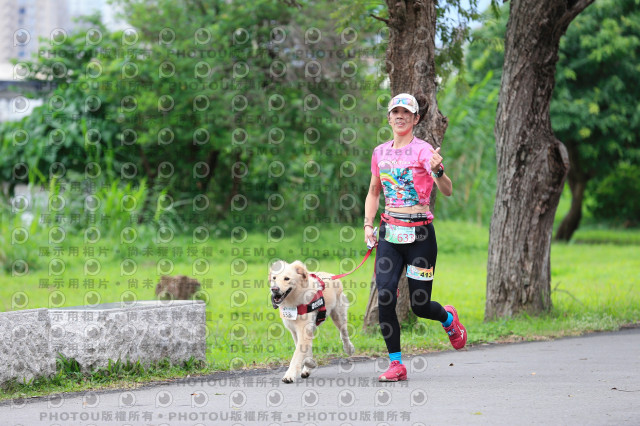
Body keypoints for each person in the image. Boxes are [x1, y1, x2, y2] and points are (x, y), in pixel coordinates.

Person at [363, 93, 467, 382]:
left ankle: (448, 318)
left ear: (415, 118)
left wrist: (439, 170)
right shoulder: (379, 152)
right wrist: (368, 225)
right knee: (385, 296)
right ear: (389, 117)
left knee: (420, 306)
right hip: (389, 235)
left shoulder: (423, 152)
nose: (400, 116)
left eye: (406, 113)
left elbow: (446, 190)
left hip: (420, 236)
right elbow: (373, 192)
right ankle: (396, 364)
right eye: (395, 112)